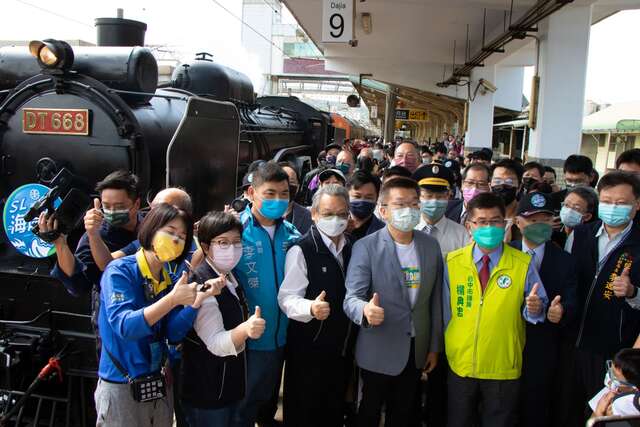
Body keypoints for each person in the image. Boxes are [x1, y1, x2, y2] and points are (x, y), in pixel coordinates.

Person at [95, 203, 214, 427]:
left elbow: (173, 333)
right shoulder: (119, 271)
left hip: (159, 381)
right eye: (170, 232)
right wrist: (172, 300)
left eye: (182, 236)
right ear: (151, 229)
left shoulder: (168, 277)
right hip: (121, 385)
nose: (176, 240)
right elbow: (125, 327)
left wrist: (195, 302)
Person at [343, 177, 443, 427]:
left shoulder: (430, 246)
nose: (408, 211)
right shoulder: (366, 247)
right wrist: (365, 310)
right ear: (384, 210)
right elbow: (351, 298)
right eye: (400, 204)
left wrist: (433, 345)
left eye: (413, 204)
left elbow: (434, 302)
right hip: (378, 347)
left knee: (404, 410)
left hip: (415, 348)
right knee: (369, 410)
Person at [443, 192, 548, 427]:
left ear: (505, 223)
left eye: (495, 221)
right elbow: (444, 313)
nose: (488, 227)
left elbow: (538, 308)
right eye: (481, 222)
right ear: (469, 226)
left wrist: (534, 307)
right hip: (461, 364)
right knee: (459, 421)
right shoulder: (452, 261)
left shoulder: (522, 263)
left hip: (503, 366)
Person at [564, 171, 640, 426]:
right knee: (566, 409)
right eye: (607, 201)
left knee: (602, 415)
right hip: (571, 341)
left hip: (613, 351)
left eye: (620, 203)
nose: (612, 208)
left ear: (637, 204)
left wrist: (633, 293)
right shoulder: (581, 234)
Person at [278, 184, 356, 427]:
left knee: (332, 411)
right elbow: (287, 298)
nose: (336, 220)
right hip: (308, 350)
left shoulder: (353, 247)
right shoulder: (302, 249)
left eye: (342, 214)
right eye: (328, 213)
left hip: (341, 348)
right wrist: (310, 308)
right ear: (314, 214)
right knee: (304, 411)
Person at [180, 211, 266, 426]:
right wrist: (246, 330)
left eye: (237, 242)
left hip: (228, 385)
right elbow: (216, 343)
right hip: (207, 391)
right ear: (206, 246)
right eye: (222, 242)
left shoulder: (229, 275)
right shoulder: (202, 282)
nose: (232, 248)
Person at [233, 161, 301, 427]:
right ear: (251, 193)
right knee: (245, 403)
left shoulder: (293, 234)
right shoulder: (235, 231)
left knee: (268, 400)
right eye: (270, 193)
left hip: (284, 335)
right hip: (250, 337)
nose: (278, 200)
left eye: (284, 194)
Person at [44, 170, 142, 352]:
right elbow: (77, 283)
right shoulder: (95, 234)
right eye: (107, 206)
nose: (112, 212)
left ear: (136, 204)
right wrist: (60, 243)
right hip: (112, 314)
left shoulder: (148, 228)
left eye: (119, 206)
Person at [511, 191, 578, 427]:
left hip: (542, 348)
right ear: (518, 222)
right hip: (505, 343)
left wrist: (560, 313)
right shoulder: (502, 253)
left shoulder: (566, 261)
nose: (539, 226)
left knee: (535, 406)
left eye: (545, 220)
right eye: (532, 220)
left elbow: (572, 300)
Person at [413, 164, 469, 256]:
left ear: (448, 196)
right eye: (428, 196)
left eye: (440, 197)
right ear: (418, 196)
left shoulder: (461, 234)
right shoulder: (408, 230)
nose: (434, 201)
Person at [588, 349, 640, 419]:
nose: (610, 381)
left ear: (635, 387)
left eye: (615, 378)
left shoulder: (622, 405)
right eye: (611, 371)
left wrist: (599, 412)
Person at [490, 159, 524, 242]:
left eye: (509, 182)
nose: (502, 185)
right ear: (490, 185)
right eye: (497, 181)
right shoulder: (481, 216)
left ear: (519, 187)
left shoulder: (526, 218)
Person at [347, 170, 385, 242]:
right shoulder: (337, 227)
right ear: (347, 196)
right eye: (357, 196)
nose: (362, 201)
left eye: (369, 197)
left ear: (377, 199)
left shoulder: (384, 233)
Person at [560, 186, 598, 251]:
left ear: (587, 217)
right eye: (566, 205)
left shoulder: (591, 241)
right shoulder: (552, 232)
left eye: (576, 208)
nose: (569, 211)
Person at [280, 162, 313, 233]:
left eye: (291, 182)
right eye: (283, 181)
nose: (287, 186)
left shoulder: (308, 216)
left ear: (298, 187)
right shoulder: (262, 215)